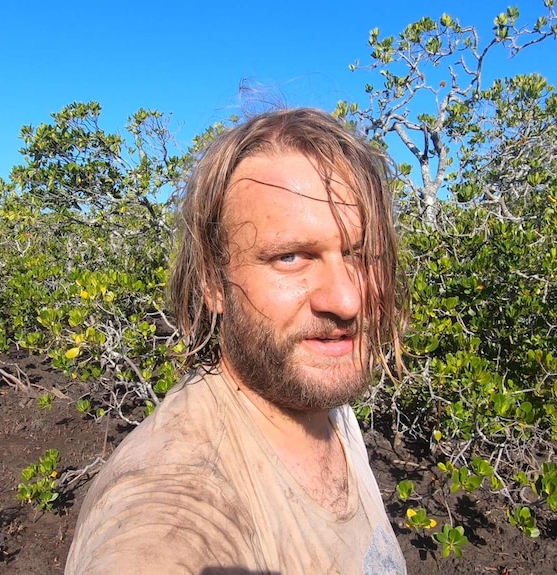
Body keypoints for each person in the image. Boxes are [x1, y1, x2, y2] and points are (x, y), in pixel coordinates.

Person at [64, 108, 407, 574]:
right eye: (290, 257)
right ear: (212, 280)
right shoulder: (173, 509)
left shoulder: (320, 398)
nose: (346, 300)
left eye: (362, 254)